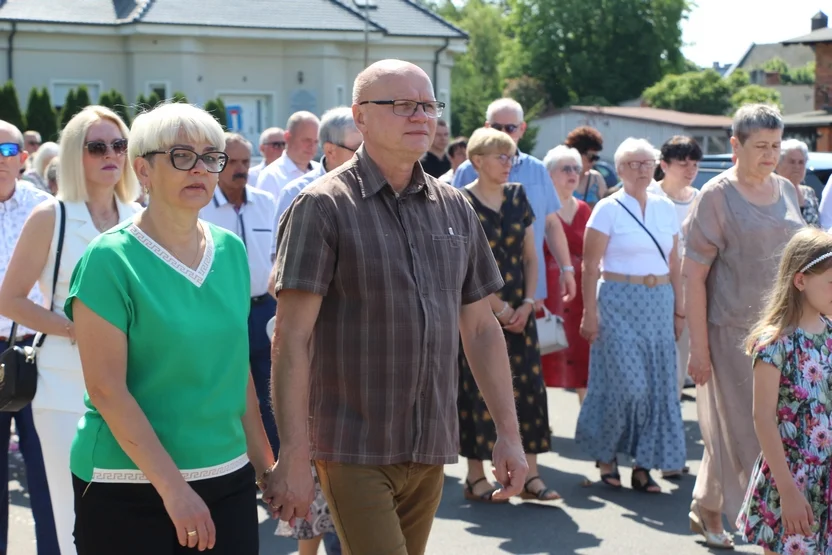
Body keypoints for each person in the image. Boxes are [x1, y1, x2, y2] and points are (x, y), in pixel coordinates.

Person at [266, 59, 528, 555]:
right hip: (352, 445)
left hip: (429, 443)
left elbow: (481, 330)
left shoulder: (454, 207)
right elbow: (291, 340)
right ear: (360, 116)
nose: (420, 117)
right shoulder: (322, 207)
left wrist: (508, 435)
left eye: (428, 105)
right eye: (403, 105)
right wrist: (293, 455)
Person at [65, 102, 274, 554]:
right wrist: (175, 490)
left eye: (210, 156)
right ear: (143, 169)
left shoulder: (232, 252)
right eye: (181, 155)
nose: (199, 168)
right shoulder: (108, 259)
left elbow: (238, 376)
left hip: (227, 474)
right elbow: (105, 389)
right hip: (128, 483)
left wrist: (265, 467)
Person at [0, 105, 141, 555]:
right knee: (71, 512)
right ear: (74, 154)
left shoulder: (141, 216)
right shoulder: (50, 216)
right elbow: (11, 299)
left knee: (132, 507)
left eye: (119, 145)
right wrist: (73, 328)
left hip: (136, 383)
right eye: (97, 146)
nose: (111, 155)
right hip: (64, 387)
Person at [684, 104, 804, 549]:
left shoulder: (789, 191)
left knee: (753, 427)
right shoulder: (715, 196)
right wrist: (698, 348)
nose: (771, 155)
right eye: (761, 147)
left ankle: (707, 507)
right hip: (732, 333)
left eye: (776, 145)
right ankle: (769, 529)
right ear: (735, 146)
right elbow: (693, 275)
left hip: (786, 332)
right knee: (748, 429)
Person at [576, 138, 686, 495]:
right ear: (620, 169)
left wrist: (679, 309)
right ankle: (606, 457)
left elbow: (675, 263)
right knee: (628, 387)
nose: (641, 170)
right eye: (633, 164)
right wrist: (589, 314)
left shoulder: (665, 207)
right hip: (618, 301)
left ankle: (642, 466)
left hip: (659, 302)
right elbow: (590, 266)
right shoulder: (607, 209)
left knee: (657, 389)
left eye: (646, 163)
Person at [457, 127, 558, 503]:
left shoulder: (519, 197)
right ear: (476, 161)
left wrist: (529, 303)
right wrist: (497, 307)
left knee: (528, 390)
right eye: (500, 156)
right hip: (477, 309)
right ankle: (475, 476)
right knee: (476, 389)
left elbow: (531, 256)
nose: (508, 164)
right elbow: (462, 265)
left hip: (521, 309)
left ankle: (530, 473)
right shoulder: (460, 202)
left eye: (510, 156)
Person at [737, 227, 832, 555]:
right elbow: (763, 418)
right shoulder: (776, 344)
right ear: (800, 281)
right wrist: (788, 491)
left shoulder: (830, 333)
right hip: (791, 479)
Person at [199, 132, 281, 461]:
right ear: (216, 164)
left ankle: (273, 468)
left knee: (271, 394)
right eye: (232, 162)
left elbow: (278, 254)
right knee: (226, 393)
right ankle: (235, 465)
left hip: (263, 310)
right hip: (219, 316)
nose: (241, 168)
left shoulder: (266, 203)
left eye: (246, 161)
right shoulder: (201, 208)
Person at [0, 121, 59, 555]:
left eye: (8, 149)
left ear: (24, 159)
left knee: (48, 472)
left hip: (37, 351)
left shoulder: (47, 210)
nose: (0, 158)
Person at [453, 98, 576, 304]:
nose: (503, 133)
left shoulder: (537, 169)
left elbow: (551, 223)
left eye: (510, 128)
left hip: (529, 288)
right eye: (496, 127)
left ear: (522, 129)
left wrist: (567, 268)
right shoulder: (468, 170)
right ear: (486, 127)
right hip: (480, 292)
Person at [648, 136, 702, 400]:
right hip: (652, 284)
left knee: (680, 358)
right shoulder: (647, 195)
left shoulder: (701, 199)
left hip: (688, 285)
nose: (690, 170)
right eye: (683, 163)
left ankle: (671, 416)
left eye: (694, 164)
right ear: (664, 165)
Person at [540, 145, 591, 402]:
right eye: (565, 169)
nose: (573, 173)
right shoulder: (538, 209)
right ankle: (541, 424)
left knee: (584, 355)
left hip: (581, 292)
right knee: (545, 353)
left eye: (576, 168)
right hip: (548, 292)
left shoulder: (585, 209)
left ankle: (588, 424)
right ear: (549, 175)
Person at [256, 112, 321, 199]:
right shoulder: (271, 176)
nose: (312, 146)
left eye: (316, 141)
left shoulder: (322, 172)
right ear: (287, 137)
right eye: (307, 140)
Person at [776, 139, 818, 226]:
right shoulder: (771, 193)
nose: (797, 166)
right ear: (778, 165)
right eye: (792, 162)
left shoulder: (809, 193)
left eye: (801, 162)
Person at [565, 126, 607, 206]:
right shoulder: (562, 177)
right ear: (577, 154)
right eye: (591, 157)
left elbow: (607, 209)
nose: (593, 162)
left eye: (596, 158)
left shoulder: (596, 179)